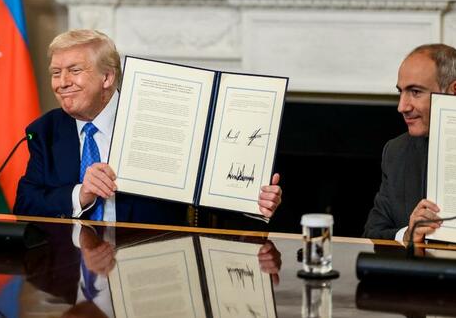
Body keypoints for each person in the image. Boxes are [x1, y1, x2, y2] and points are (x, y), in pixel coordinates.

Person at [14, 29, 282, 225]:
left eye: (74, 70)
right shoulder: (45, 130)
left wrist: (253, 202)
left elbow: (204, 193)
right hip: (71, 268)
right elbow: (25, 205)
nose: (62, 82)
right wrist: (81, 194)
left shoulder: (158, 118)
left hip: (151, 262)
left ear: (107, 77)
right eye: (56, 73)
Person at [363, 43, 456, 243]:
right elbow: (372, 234)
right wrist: (407, 235)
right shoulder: (396, 152)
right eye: (401, 92)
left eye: (415, 92)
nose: (402, 107)